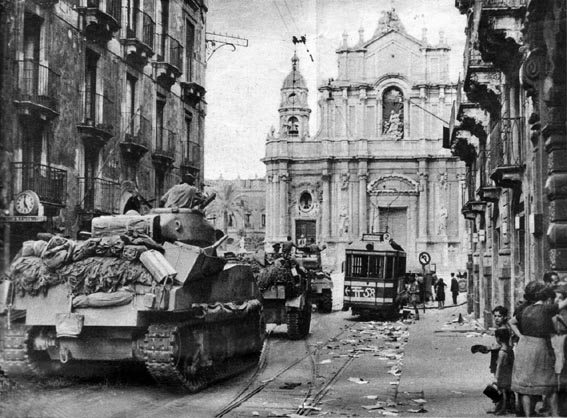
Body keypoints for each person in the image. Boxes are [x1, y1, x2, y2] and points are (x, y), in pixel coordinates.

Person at [509, 282, 567, 417]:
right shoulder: (546, 309)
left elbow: (511, 322)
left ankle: (528, 415)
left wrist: (521, 336)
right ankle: (555, 415)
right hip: (540, 347)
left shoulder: (526, 309)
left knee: (526, 386)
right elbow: (564, 304)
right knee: (549, 384)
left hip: (525, 347)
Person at [492, 328, 515, 415]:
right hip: (509, 374)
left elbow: (499, 366)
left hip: (502, 375)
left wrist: (496, 378)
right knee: (505, 392)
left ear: (498, 338)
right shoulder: (510, 350)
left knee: (501, 392)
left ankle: (502, 408)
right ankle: (501, 407)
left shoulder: (501, 352)